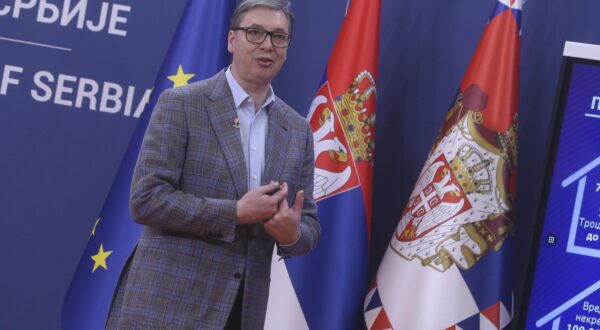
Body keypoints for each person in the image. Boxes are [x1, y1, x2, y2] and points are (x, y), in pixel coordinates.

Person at [106, 0, 320, 328]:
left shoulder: (298, 130)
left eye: (279, 37)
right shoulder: (182, 104)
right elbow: (146, 199)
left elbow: (308, 226)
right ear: (231, 40)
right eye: (255, 33)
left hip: (241, 311)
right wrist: (234, 213)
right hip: (167, 307)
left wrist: (292, 234)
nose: (267, 44)